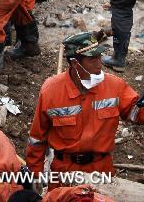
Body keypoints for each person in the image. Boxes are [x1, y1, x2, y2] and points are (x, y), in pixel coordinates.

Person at [26, 31, 144, 191]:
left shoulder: (115, 86)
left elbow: (136, 113)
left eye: (100, 56)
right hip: (64, 173)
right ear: (75, 63)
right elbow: (37, 139)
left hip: (101, 170)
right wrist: (35, 177)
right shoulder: (51, 91)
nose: (99, 63)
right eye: (92, 59)